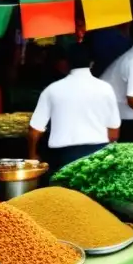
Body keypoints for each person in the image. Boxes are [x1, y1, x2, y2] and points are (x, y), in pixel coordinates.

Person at [27, 43, 120, 173]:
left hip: (64, 158)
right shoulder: (106, 89)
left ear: (66, 64)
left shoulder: (52, 90)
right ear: (92, 63)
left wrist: (32, 155)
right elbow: (114, 133)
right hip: (99, 155)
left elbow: (34, 131)